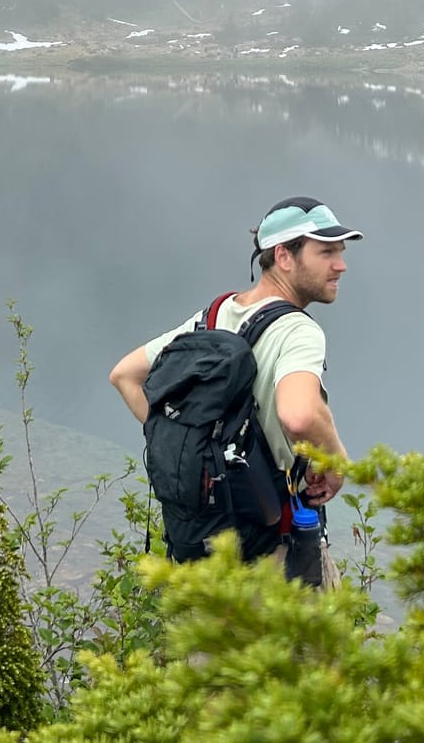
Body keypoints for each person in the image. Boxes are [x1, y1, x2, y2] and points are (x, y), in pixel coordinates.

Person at [108, 195, 359, 583]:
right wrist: (336, 462)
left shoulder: (215, 315)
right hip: (275, 560)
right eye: (326, 252)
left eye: (340, 252)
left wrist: (191, 449)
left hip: (205, 557)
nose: (341, 265)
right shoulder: (298, 331)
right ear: (283, 256)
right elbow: (299, 414)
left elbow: (125, 376)